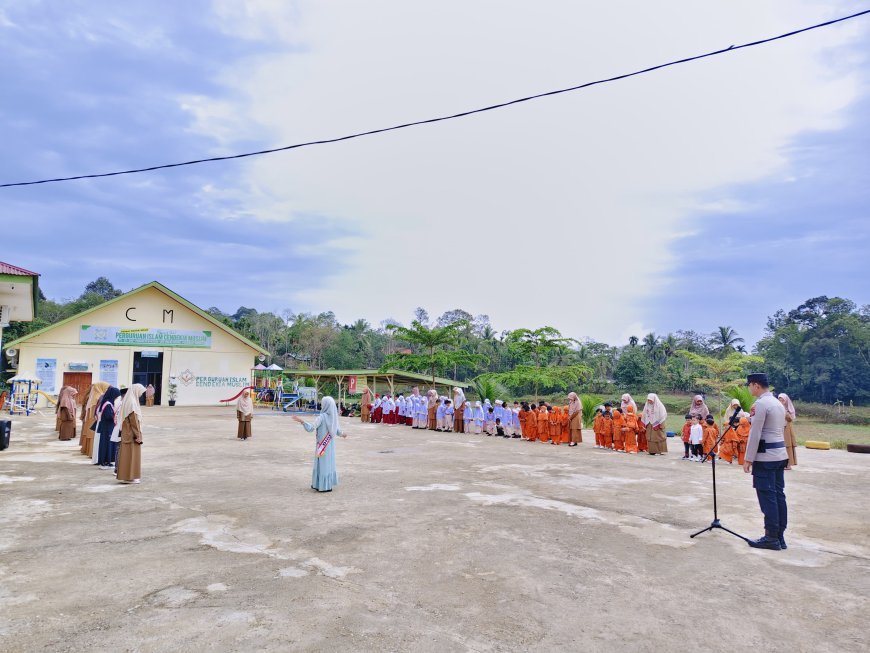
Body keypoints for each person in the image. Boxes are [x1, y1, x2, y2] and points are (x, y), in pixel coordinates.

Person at [744, 373, 789, 550]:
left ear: (756, 385)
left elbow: (755, 433)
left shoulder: (761, 404)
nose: (749, 389)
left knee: (767, 496)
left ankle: (771, 537)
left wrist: (748, 458)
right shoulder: (777, 402)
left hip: (765, 456)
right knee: (778, 495)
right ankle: (779, 536)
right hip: (779, 454)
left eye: (749, 385)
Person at [292, 396, 347, 492]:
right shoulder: (333, 418)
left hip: (321, 446)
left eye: (323, 403)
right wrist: (343, 434)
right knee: (328, 464)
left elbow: (311, 428)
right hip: (329, 446)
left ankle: (320, 485)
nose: (321, 405)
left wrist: (302, 421)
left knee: (321, 464)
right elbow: (337, 431)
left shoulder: (321, 417)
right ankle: (327, 485)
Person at [116, 384, 146, 484]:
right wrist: (138, 435)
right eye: (140, 392)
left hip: (126, 432)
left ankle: (126, 476)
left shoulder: (127, 401)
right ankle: (131, 477)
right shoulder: (132, 403)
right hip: (131, 434)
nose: (141, 395)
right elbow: (134, 422)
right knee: (132, 456)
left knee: (126, 455)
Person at [95, 387, 121, 468]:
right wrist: (116, 415)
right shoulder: (108, 404)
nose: (117, 397)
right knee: (107, 444)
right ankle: (106, 461)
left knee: (105, 444)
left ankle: (105, 460)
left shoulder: (107, 402)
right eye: (116, 395)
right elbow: (108, 416)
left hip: (106, 427)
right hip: (107, 428)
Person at [778, 393, 798, 469]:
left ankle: (788, 464)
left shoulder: (789, 409)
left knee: (788, 446)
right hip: (779, 429)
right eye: (779, 400)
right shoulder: (777, 408)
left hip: (787, 429)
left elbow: (790, 419)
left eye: (782, 400)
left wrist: (785, 412)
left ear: (786, 401)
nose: (780, 401)